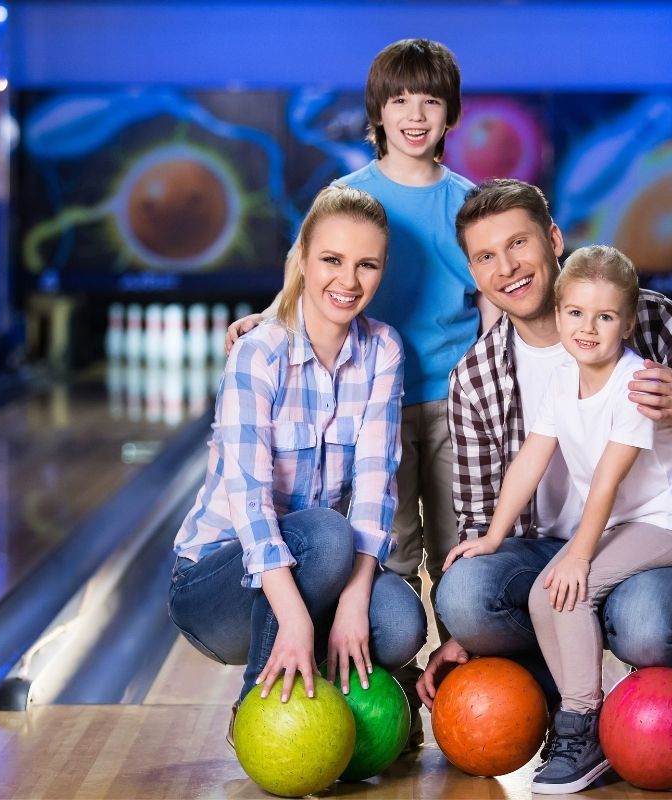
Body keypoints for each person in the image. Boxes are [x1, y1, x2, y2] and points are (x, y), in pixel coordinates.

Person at [225, 39, 496, 747]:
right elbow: (306, 273)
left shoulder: (467, 203)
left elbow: (492, 308)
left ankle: (478, 700)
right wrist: (268, 316)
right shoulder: (350, 195)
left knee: (462, 552)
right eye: (400, 100)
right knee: (395, 555)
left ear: (450, 114)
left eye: (430, 101)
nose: (415, 115)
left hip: (455, 405)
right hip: (372, 401)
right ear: (375, 112)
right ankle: (396, 698)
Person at [417, 178, 672, 751]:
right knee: (463, 596)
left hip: (647, 539)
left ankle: (588, 706)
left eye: (519, 243)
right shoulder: (475, 377)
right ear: (473, 273)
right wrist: (464, 625)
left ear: (554, 240)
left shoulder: (651, 326)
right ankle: (576, 690)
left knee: (644, 629)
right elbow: (497, 493)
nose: (507, 267)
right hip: (547, 550)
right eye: (486, 256)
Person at [442, 244, 672, 794]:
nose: (588, 328)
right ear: (559, 313)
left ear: (628, 323)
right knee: (545, 593)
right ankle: (584, 717)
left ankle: (583, 721)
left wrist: (578, 559)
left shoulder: (634, 384)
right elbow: (529, 461)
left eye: (605, 317)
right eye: (576, 314)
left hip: (668, 524)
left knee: (569, 590)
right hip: (621, 526)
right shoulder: (566, 378)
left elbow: (607, 482)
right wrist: (492, 536)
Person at [168, 185, 427, 750]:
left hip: (317, 563)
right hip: (215, 586)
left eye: (367, 265)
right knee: (326, 532)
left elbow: (375, 490)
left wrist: (355, 601)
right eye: (332, 260)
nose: (349, 281)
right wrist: (297, 620)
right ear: (304, 257)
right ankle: (255, 716)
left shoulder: (384, 350)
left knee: (400, 622)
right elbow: (251, 506)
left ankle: (321, 701)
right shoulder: (258, 353)